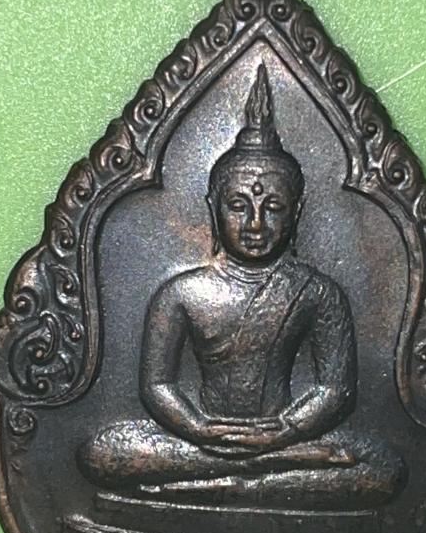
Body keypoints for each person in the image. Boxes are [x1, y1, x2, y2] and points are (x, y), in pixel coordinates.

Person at [78, 65, 404, 509]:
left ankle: (222, 483)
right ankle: (259, 474)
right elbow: (157, 386)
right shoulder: (182, 293)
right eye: (238, 205)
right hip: (204, 441)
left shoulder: (317, 293)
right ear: (213, 208)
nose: (255, 223)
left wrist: (284, 430)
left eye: (273, 207)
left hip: (285, 436)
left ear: (296, 212)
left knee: (383, 467)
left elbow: (334, 390)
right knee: (102, 451)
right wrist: (199, 429)